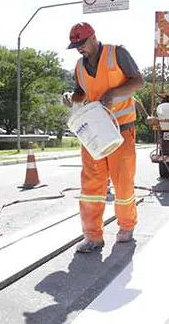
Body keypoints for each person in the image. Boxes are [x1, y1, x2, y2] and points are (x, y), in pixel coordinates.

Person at [63, 22, 143, 253]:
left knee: (123, 182)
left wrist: (113, 93)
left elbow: (138, 81)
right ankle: (93, 236)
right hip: (94, 131)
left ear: (93, 37)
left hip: (121, 129)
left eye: (82, 43)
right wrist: (71, 97)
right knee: (91, 185)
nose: (79, 49)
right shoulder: (79, 66)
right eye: (76, 45)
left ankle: (126, 227)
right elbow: (81, 93)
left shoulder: (117, 53)